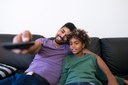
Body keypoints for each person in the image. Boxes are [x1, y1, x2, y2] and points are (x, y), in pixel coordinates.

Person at [0, 22, 120, 85]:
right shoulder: (42, 41)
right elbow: (34, 48)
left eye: (66, 36)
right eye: (62, 31)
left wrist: (111, 79)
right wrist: (25, 47)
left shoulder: (70, 48)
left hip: (38, 81)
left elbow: (95, 56)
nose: (62, 36)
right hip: (20, 77)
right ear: (59, 29)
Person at [57, 29, 128, 85]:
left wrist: (122, 81)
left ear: (83, 45)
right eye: (71, 44)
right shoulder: (67, 59)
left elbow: (102, 76)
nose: (73, 46)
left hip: (89, 83)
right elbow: (63, 78)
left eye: (76, 43)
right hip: (71, 83)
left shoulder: (91, 58)